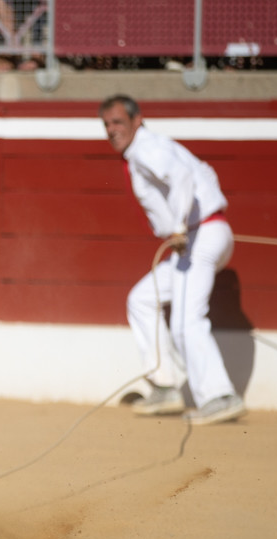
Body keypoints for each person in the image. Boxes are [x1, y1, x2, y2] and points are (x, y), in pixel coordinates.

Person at [99, 95, 246, 426]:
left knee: (185, 320)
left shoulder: (146, 149)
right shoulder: (152, 147)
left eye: (118, 122)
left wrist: (180, 224)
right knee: (142, 299)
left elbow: (181, 176)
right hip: (202, 233)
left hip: (198, 235)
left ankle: (219, 396)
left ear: (137, 121)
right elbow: (204, 171)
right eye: (106, 124)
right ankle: (166, 386)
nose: (111, 130)